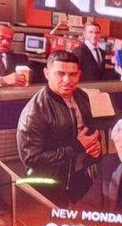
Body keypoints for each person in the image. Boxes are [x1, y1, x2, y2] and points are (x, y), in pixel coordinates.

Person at [15, 51, 102, 203]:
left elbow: (89, 130)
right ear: (47, 73)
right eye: (60, 74)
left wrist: (95, 146)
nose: (67, 80)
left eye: (73, 74)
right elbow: (31, 158)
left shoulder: (82, 96)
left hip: (81, 176)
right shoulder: (34, 112)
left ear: (79, 74)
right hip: (50, 183)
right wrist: (77, 147)